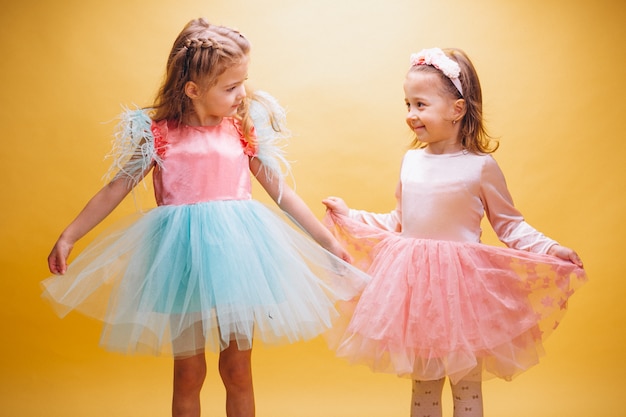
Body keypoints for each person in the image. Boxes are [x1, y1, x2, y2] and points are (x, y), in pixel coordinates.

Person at [42, 18, 368, 417]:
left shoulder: (241, 131)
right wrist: (69, 235)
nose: (242, 93)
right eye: (231, 87)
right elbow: (116, 187)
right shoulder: (160, 134)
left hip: (240, 257)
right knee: (189, 372)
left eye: (243, 81)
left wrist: (330, 243)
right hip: (181, 260)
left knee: (237, 370)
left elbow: (283, 195)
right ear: (192, 90)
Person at [322, 47, 587, 417]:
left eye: (420, 105)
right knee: (424, 386)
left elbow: (510, 225)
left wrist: (551, 248)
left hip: (464, 292)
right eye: (407, 104)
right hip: (414, 290)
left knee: (466, 386)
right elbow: (398, 220)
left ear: (456, 110)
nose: (410, 115)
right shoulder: (411, 160)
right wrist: (352, 215)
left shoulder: (480, 167)